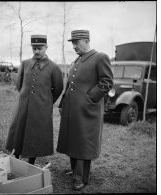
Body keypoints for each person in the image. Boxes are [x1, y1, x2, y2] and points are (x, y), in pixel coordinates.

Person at [57, 30, 113, 190]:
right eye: (72, 43)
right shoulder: (77, 60)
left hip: (87, 111)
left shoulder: (100, 57)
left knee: (83, 143)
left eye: (77, 42)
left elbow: (107, 82)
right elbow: (69, 85)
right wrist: (62, 103)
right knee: (73, 140)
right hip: (71, 110)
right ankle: (75, 171)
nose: (74, 46)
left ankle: (80, 178)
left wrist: (88, 100)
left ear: (87, 40)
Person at [6, 35, 63, 165]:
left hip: (41, 108)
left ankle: (31, 162)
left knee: (35, 134)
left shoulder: (54, 67)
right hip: (23, 106)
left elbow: (58, 88)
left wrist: (47, 101)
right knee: (19, 131)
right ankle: (15, 158)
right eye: (34, 48)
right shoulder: (25, 64)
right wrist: (25, 98)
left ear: (46, 48)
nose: (37, 51)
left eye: (40, 48)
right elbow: (19, 84)